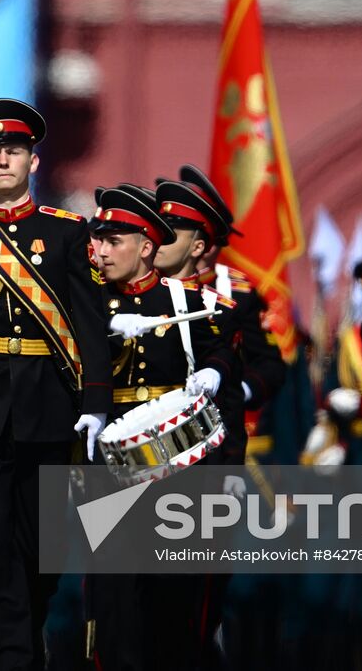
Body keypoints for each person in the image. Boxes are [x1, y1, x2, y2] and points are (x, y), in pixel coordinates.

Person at [0, 98, 111, 671]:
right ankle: (11, 659)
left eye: (14, 151)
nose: (3, 160)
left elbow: (88, 323)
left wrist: (96, 401)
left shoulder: (66, 234)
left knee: (42, 554)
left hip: (49, 406)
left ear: (33, 161)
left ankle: (26, 641)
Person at [86, 186, 240, 670]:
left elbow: (223, 346)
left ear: (146, 247)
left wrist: (215, 370)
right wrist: (105, 330)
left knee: (176, 602)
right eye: (99, 240)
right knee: (113, 601)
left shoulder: (187, 301)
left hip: (181, 470)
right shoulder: (87, 303)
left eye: (114, 241)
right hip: (112, 470)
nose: (102, 251)